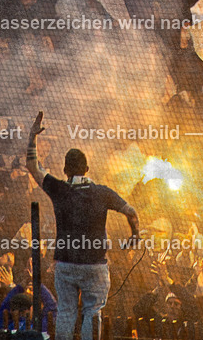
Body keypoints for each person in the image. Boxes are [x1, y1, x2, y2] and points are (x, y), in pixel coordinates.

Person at [25, 111, 139, 340]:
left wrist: (32, 136)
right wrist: (135, 235)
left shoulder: (59, 189)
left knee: (66, 313)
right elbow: (131, 212)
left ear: (66, 171)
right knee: (93, 312)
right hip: (95, 265)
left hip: (65, 264)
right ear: (87, 169)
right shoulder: (102, 192)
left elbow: (32, 166)